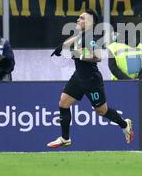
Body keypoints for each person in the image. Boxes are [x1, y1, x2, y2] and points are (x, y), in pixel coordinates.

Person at [47, 9, 134, 148]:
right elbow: (75, 39)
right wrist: (62, 46)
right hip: (78, 77)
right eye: (78, 18)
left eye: (81, 18)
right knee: (63, 103)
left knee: (101, 111)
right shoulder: (82, 36)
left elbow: (98, 56)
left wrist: (79, 55)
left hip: (91, 80)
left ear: (90, 22)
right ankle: (65, 138)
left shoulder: (91, 39)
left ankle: (125, 124)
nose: (78, 20)